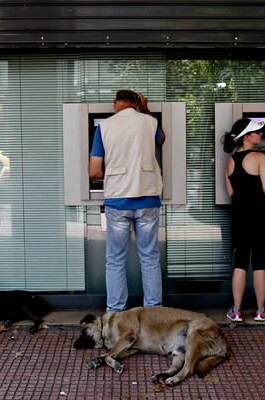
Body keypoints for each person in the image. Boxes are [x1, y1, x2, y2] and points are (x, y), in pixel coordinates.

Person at [88, 89, 165, 313]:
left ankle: (115, 312)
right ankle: (154, 312)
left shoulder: (105, 126)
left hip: (118, 201)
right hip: (148, 198)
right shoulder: (149, 122)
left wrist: (113, 174)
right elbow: (162, 139)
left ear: (115, 104)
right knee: (149, 257)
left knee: (115, 260)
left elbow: (94, 170)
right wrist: (146, 108)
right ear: (137, 103)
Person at [222, 118, 265, 322]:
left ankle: (236, 310)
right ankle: (261, 311)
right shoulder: (260, 157)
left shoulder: (230, 161)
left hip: (239, 215)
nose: (261, 135)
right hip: (260, 214)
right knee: (260, 263)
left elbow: (231, 193)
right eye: (258, 132)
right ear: (247, 136)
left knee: (240, 262)